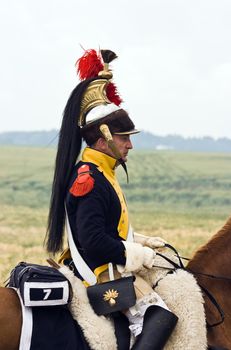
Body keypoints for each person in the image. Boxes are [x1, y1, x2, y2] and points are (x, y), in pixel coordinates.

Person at [45, 48, 178, 349]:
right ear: (104, 137)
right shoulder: (89, 179)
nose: (130, 144)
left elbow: (106, 227)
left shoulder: (101, 171)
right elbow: (92, 239)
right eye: (124, 137)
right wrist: (136, 255)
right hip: (99, 273)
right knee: (159, 316)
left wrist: (141, 240)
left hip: (105, 264)